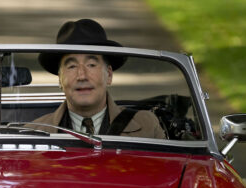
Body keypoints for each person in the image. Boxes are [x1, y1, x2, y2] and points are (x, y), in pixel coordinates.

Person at [33, 19, 165, 139]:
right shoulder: (34, 132)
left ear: (109, 75)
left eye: (91, 65)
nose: (82, 76)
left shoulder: (147, 127)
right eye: (72, 66)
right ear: (60, 79)